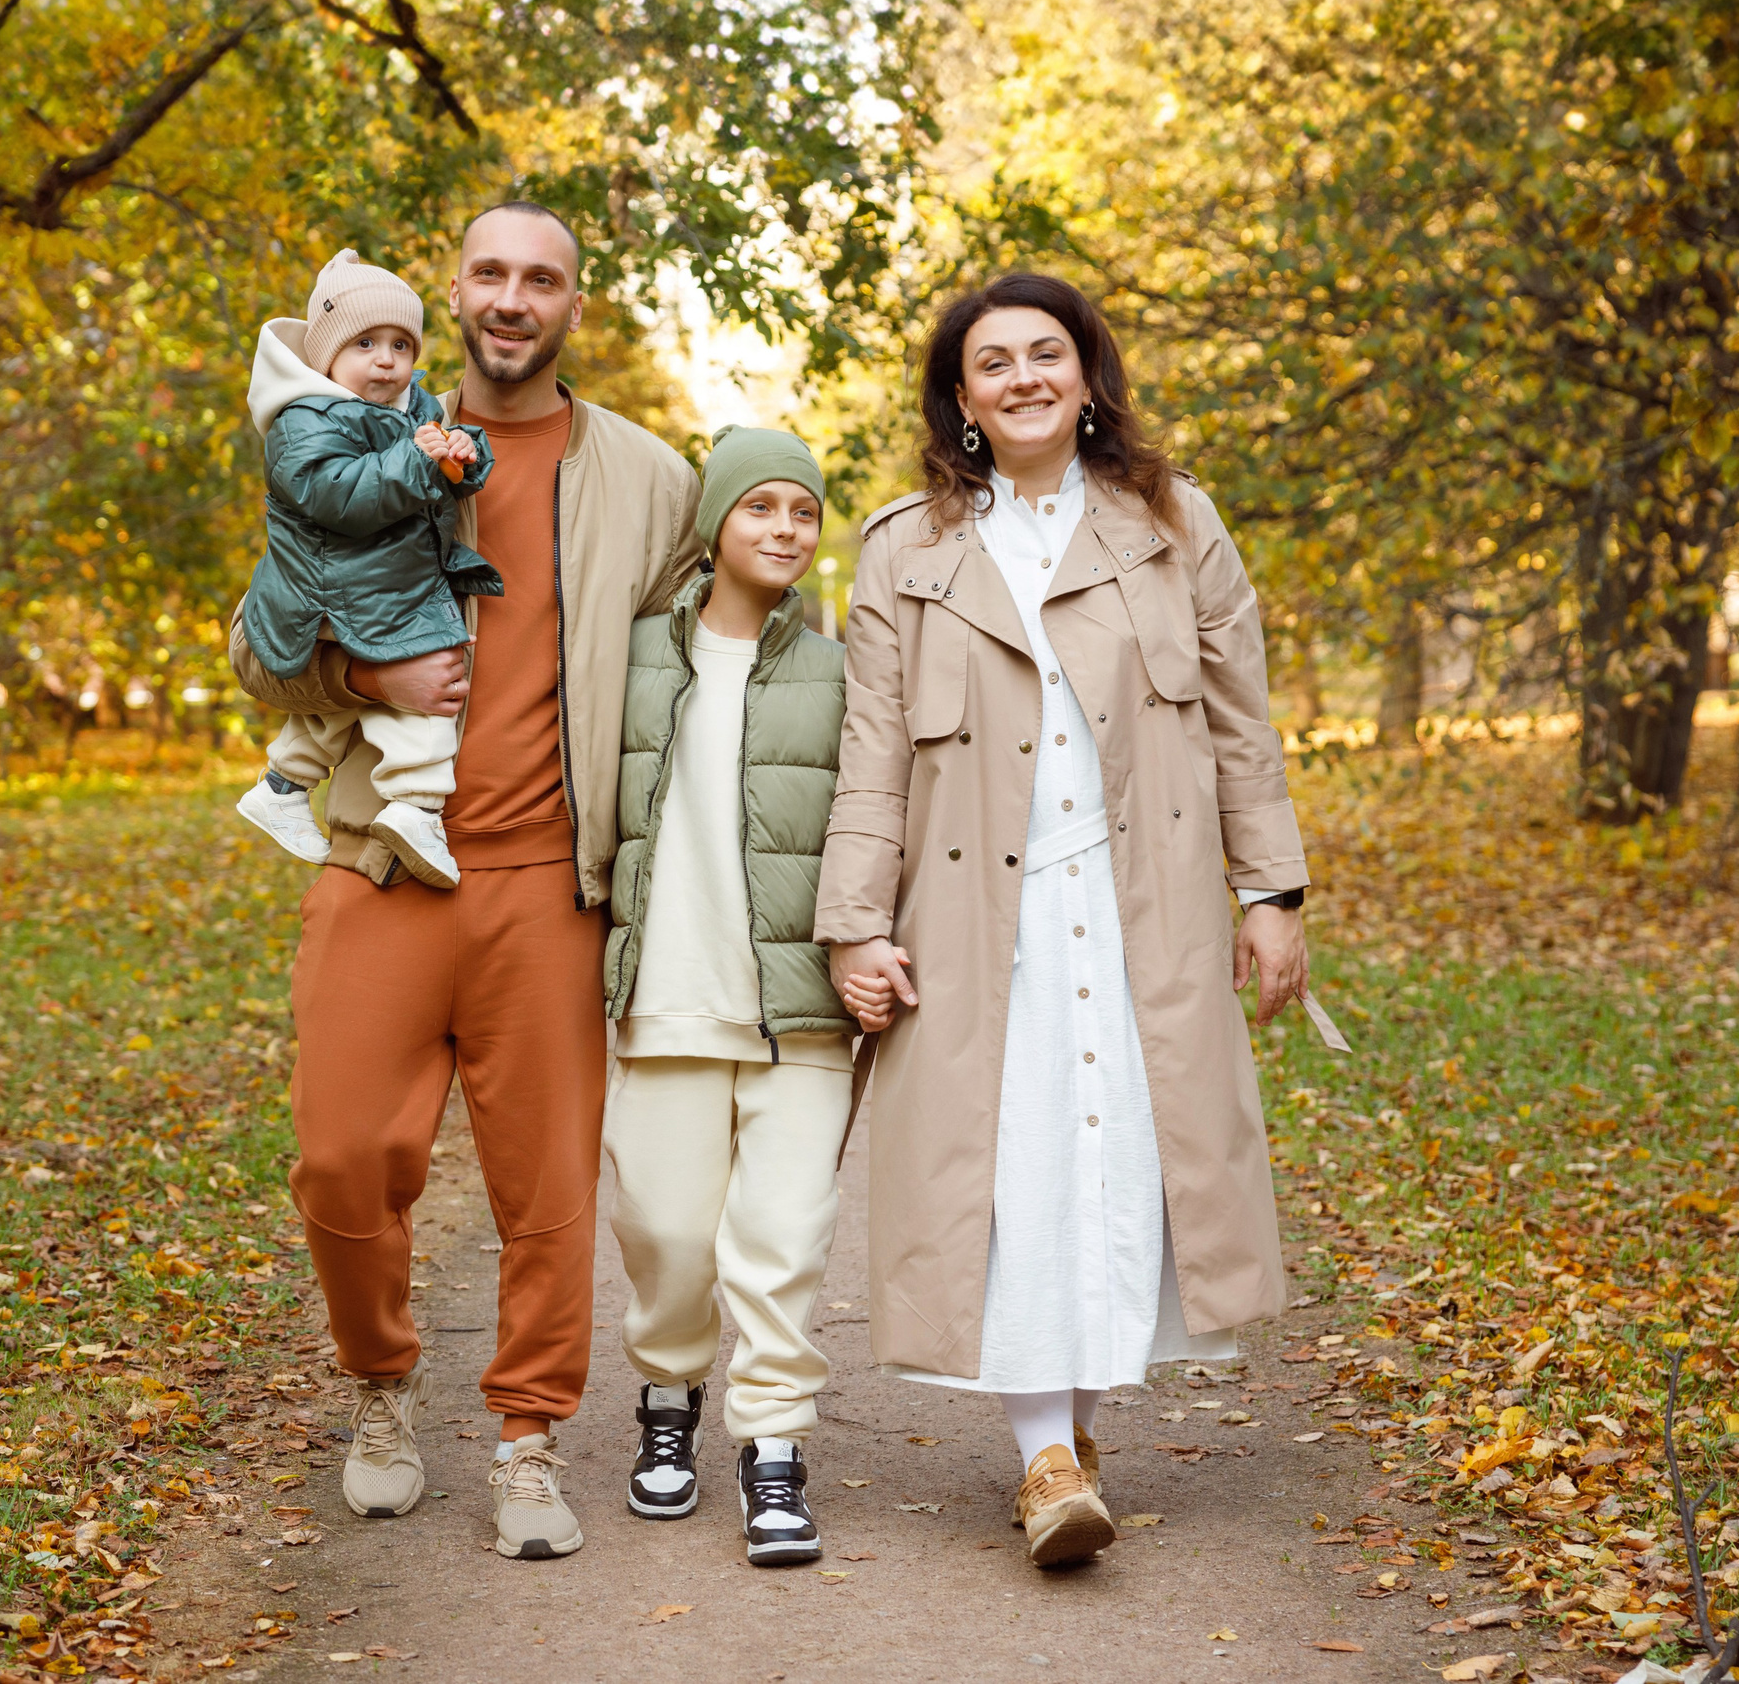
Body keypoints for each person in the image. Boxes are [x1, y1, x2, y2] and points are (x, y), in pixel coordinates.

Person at [814, 273, 1312, 1569]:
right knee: (1009, 1166)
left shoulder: (1173, 521)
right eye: (994, 362)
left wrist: (1270, 891)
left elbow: (1240, 720)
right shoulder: (904, 547)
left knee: (1118, 1162)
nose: (1024, 377)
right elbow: (872, 751)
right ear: (961, 398)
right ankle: (1043, 1453)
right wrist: (856, 922)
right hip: (979, 913)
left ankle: (1073, 1436)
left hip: (1143, 904)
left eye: (1047, 353)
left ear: (1088, 376)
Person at [228, 202, 702, 1561]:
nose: (512, 297)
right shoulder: (360, 431)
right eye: (489, 273)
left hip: (548, 881)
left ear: (572, 304)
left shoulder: (650, 479)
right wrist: (359, 675)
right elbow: (259, 645)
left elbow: (713, 656)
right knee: (340, 1160)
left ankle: (527, 1437)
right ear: (455, 292)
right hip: (383, 862)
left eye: (540, 279)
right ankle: (379, 1389)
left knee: (545, 1188)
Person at [600, 427, 854, 1567]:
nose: (784, 530)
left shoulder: (842, 670)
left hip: (797, 1006)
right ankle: (668, 1396)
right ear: (714, 523)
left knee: (782, 1235)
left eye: (802, 512)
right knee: (663, 1229)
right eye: (760, 507)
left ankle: (775, 1448)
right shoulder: (632, 655)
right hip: (665, 993)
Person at [234, 249, 499, 888]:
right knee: (432, 670)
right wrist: (418, 460)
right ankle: (416, 805)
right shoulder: (302, 421)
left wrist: (462, 454)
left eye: (401, 345)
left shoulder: (412, 410)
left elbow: (435, 481)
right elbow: (341, 496)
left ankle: (282, 786)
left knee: (341, 707)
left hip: (370, 580)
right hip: (332, 584)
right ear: (327, 355)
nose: (386, 360)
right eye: (365, 343)